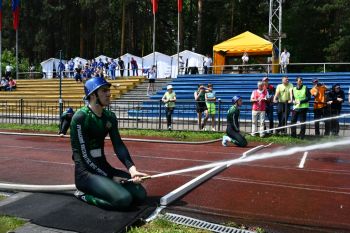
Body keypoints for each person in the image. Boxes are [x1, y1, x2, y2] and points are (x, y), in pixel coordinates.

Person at [70, 77, 147, 210]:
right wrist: (110, 177)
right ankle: (83, 194)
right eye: (104, 91)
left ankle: (109, 186)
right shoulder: (80, 117)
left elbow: (118, 145)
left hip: (104, 167)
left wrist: (132, 170)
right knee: (124, 199)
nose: (108, 93)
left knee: (140, 195)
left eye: (108, 90)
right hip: (86, 173)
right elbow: (84, 156)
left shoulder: (110, 117)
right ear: (93, 95)